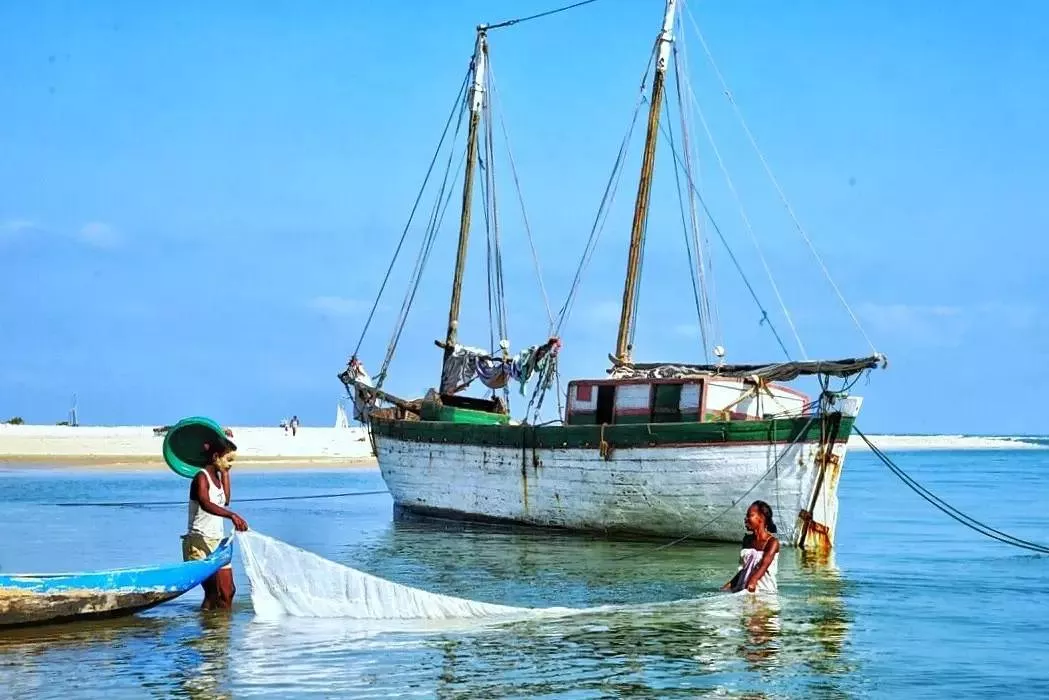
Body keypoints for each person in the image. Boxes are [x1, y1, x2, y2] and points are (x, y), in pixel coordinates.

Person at [181, 429, 249, 610]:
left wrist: (225, 471)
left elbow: (225, 500)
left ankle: (223, 633)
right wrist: (232, 515)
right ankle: (208, 635)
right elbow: (204, 503)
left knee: (228, 592)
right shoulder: (200, 477)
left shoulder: (218, 478)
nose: (230, 464)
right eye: (228, 460)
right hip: (199, 542)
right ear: (215, 457)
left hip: (218, 542)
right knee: (212, 594)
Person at [722, 500, 780, 594]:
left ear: (761, 518)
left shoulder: (772, 542)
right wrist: (729, 585)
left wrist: (753, 582)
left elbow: (763, 567)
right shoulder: (747, 540)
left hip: (764, 592)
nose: (746, 519)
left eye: (750, 515)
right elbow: (745, 569)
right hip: (744, 589)